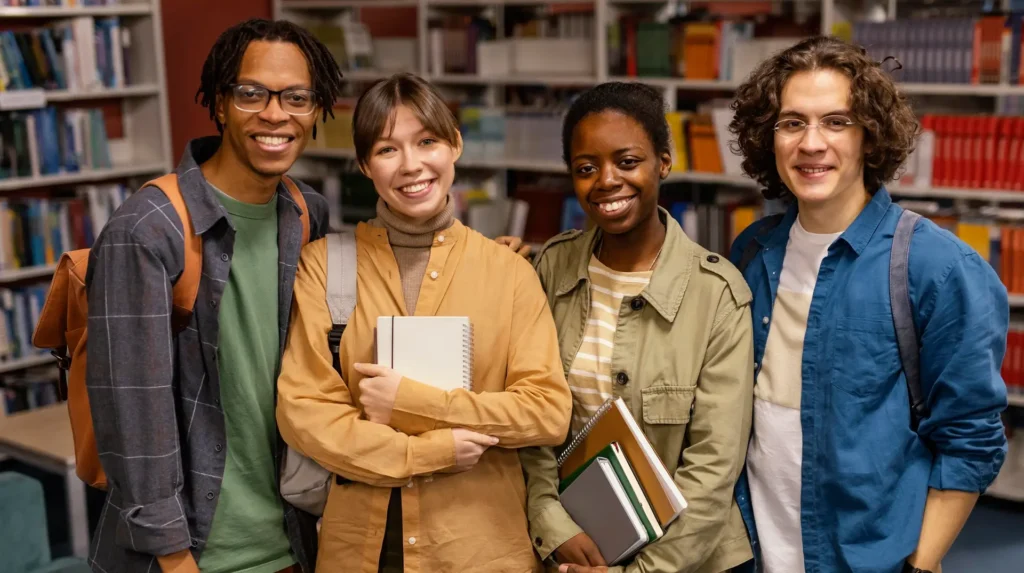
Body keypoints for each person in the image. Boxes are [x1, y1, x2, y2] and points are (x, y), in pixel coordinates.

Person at [727, 36, 1009, 573]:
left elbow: (970, 440)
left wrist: (921, 565)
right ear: (770, 138)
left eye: (837, 122)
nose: (812, 143)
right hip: (753, 551)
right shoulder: (751, 251)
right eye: (792, 123)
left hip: (869, 560)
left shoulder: (938, 268)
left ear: (869, 136)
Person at [274, 72, 573, 573]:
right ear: (365, 165)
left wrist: (412, 402)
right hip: (359, 552)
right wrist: (432, 451)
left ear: (454, 145)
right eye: (388, 149)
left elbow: (546, 412)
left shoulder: (511, 273)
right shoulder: (325, 266)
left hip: (480, 550)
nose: (411, 165)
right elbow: (305, 413)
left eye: (427, 142)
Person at [84, 18, 344, 573]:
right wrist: (174, 558)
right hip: (195, 553)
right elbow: (132, 410)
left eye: (297, 97)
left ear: (316, 109)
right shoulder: (149, 229)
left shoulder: (306, 212)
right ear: (220, 104)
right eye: (252, 93)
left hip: (295, 540)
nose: (276, 114)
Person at [519, 82, 756, 573]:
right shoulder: (551, 267)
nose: (607, 180)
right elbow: (531, 423)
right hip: (573, 550)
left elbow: (713, 468)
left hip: (687, 559)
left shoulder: (717, 293)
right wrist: (555, 527)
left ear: (663, 163)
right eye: (586, 168)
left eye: (627, 162)